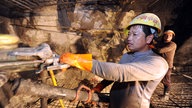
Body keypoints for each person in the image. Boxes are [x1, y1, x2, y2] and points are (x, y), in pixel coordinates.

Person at [59, 13, 169, 108]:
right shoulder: (127, 56)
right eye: (129, 34)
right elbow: (114, 76)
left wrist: (78, 60)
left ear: (149, 38)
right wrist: (99, 87)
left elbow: (121, 73)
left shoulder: (158, 63)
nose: (129, 38)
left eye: (135, 34)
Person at [152, 30, 177, 101]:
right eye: (166, 35)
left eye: (170, 36)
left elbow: (160, 50)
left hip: (167, 66)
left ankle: (166, 95)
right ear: (163, 36)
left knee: (166, 80)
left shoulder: (172, 45)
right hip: (159, 65)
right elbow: (155, 44)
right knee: (155, 77)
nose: (168, 37)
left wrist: (152, 46)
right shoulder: (161, 43)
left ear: (172, 37)